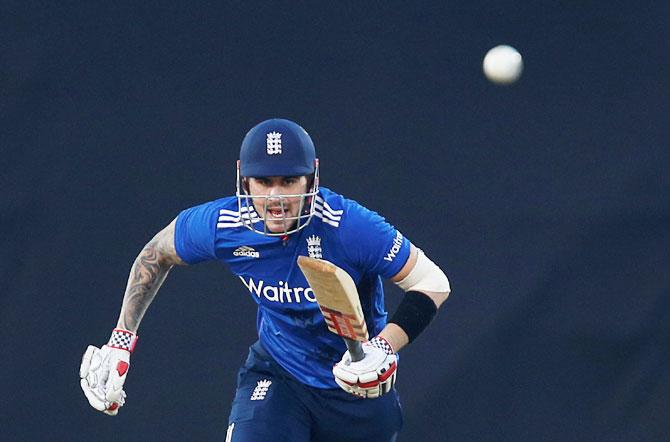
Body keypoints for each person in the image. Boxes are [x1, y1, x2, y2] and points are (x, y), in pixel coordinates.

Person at [79, 118, 451, 441]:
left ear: (313, 176)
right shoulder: (224, 225)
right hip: (280, 376)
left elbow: (432, 282)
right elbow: (155, 255)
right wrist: (120, 341)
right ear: (244, 179)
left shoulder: (349, 225)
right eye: (263, 181)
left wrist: (384, 347)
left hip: (359, 391)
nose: (276, 198)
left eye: (289, 180)